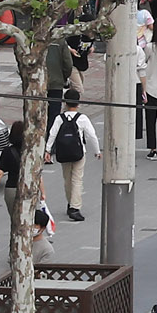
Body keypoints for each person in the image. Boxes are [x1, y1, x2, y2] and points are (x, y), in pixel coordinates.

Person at [46, 91, 100, 223]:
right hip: (78, 153)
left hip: (63, 153)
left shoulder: (59, 118)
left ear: (65, 102)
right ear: (78, 103)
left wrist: (47, 150)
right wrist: (97, 151)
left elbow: (52, 134)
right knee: (77, 179)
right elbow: (92, 135)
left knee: (67, 179)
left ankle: (70, 202)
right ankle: (74, 207)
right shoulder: (82, 118)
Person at [0, 118, 26, 217]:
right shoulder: (30, 151)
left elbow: (0, 173)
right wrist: (42, 193)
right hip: (28, 187)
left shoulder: (7, 151)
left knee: (14, 218)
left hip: (11, 188)